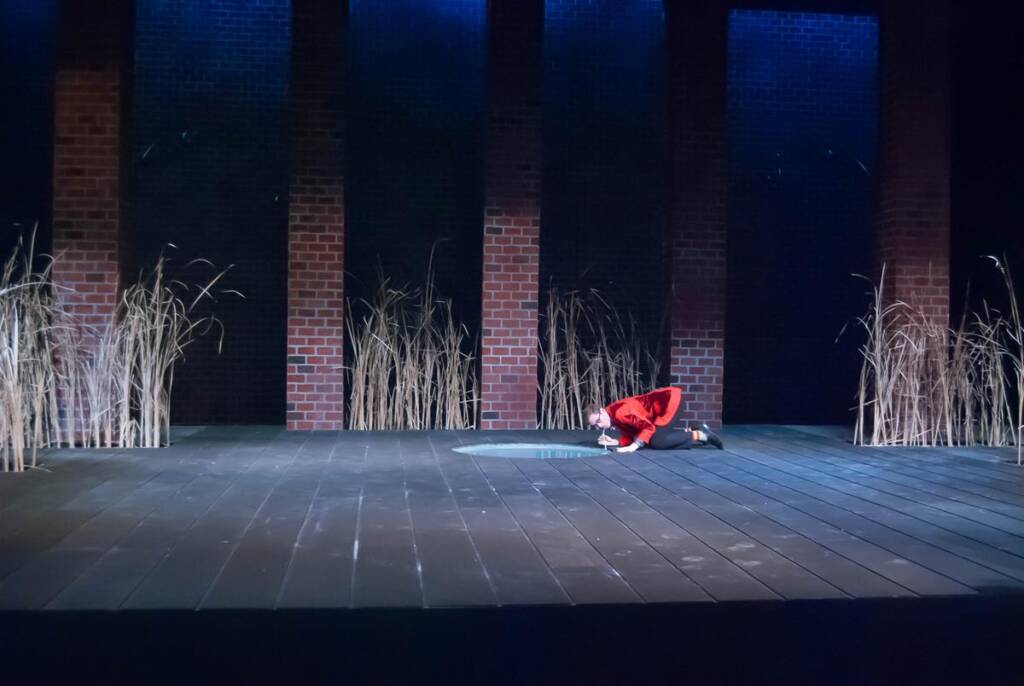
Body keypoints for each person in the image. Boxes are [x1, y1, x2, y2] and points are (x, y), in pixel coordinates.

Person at [583, 386, 723, 453]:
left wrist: (632, 447)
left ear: (602, 411)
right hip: (661, 408)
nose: (599, 426)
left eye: (598, 421)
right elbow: (633, 432)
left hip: (669, 402)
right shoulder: (612, 415)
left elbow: (647, 427)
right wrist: (616, 441)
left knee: (657, 441)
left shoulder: (619, 412)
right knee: (651, 439)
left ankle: (701, 435)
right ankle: (694, 430)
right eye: (595, 425)